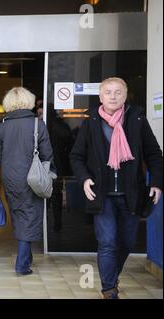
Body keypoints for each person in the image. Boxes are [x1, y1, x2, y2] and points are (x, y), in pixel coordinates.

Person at [69, 77, 163, 299]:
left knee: (127, 242)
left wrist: (157, 183)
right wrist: (84, 179)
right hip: (102, 195)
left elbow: (154, 154)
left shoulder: (137, 118)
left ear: (125, 95)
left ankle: (111, 274)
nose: (113, 96)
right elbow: (76, 156)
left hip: (132, 194)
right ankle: (109, 289)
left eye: (117, 92)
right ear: (101, 97)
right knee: (108, 242)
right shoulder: (90, 121)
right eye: (108, 92)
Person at [0, 87, 55, 276]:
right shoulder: (37, 123)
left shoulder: (3, 124)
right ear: (28, 101)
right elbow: (47, 152)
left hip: (9, 176)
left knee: (19, 214)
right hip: (32, 177)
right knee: (30, 217)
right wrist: (51, 173)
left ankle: (27, 258)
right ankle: (22, 265)